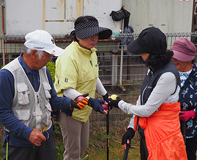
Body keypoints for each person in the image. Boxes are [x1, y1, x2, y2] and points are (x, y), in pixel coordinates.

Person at [0, 30, 89, 160]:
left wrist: (71, 103)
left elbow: (52, 100)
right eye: (48, 55)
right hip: (19, 143)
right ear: (35, 53)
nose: (50, 59)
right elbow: (3, 113)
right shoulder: (8, 75)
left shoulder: (44, 71)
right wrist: (28, 133)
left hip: (46, 140)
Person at [109, 27, 187, 160]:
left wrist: (120, 104)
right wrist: (131, 128)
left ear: (151, 53)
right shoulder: (153, 68)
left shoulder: (168, 75)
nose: (140, 55)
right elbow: (142, 100)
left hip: (164, 138)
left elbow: (146, 110)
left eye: (142, 51)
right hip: (148, 133)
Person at [54, 15, 112, 160]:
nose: (94, 39)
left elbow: (93, 76)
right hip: (70, 109)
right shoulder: (69, 56)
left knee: (82, 147)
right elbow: (67, 90)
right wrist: (92, 101)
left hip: (84, 108)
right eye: (89, 35)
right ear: (78, 36)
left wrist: (105, 95)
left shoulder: (91, 52)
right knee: (73, 152)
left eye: (96, 34)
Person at [171, 37, 197, 160]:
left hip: (191, 129)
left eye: (178, 57)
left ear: (188, 59)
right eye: (173, 56)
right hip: (170, 127)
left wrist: (193, 113)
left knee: (188, 155)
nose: (173, 59)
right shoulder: (170, 73)